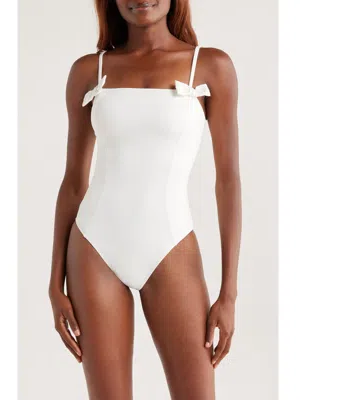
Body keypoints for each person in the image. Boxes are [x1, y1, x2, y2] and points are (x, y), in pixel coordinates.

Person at [49, 0, 241, 398]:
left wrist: (229, 293)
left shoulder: (211, 66)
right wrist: (54, 284)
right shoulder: (88, 71)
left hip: (171, 247)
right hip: (94, 247)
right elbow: (74, 183)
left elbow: (228, 182)